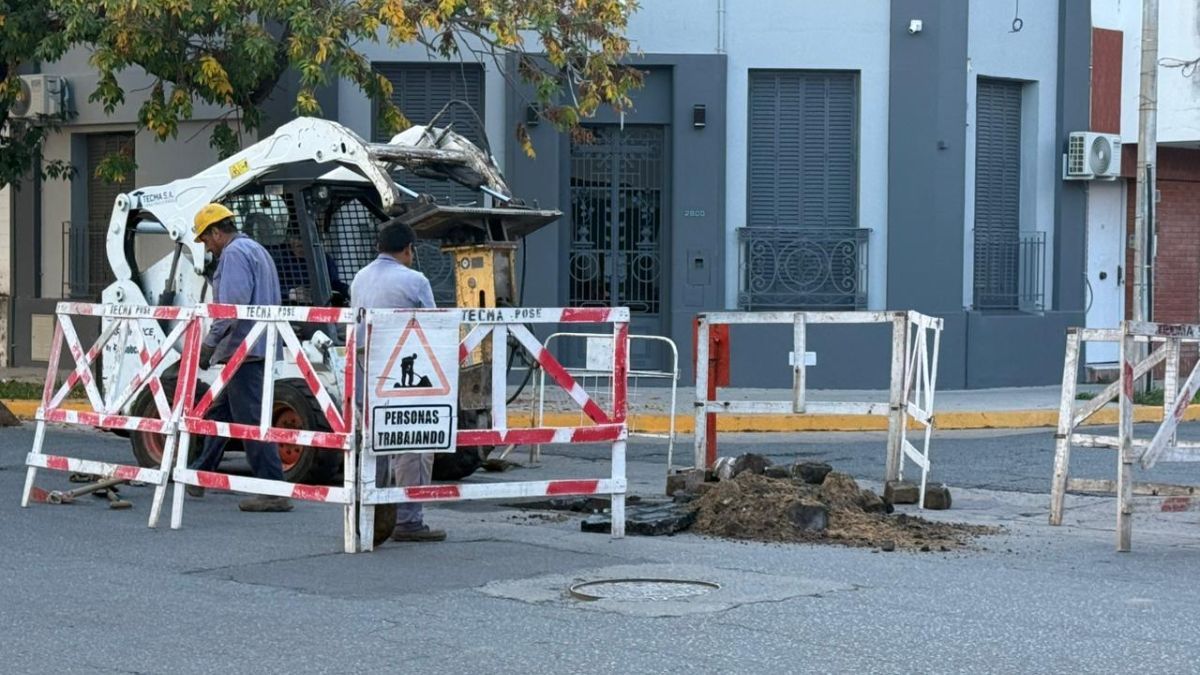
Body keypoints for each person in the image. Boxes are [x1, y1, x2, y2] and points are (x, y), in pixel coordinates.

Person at [188, 203, 293, 513]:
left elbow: (230, 309)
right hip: (257, 347)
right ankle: (200, 472)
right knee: (221, 413)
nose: (207, 246)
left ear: (217, 232)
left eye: (206, 239)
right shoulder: (256, 249)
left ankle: (272, 490)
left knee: (250, 421)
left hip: (243, 351)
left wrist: (208, 346)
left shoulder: (233, 254)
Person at [351, 220, 446, 542]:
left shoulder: (359, 278)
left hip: (365, 373)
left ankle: (373, 515)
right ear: (408, 249)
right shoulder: (415, 280)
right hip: (402, 378)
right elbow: (434, 327)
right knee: (413, 444)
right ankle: (408, 520)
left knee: (373, 444)